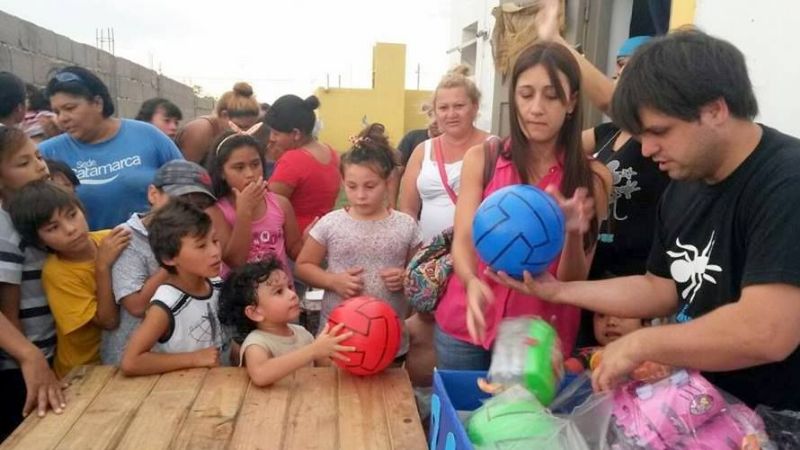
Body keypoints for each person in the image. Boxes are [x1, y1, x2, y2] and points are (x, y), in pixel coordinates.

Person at [492, 29, 800, 410]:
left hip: (776, 418)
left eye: (658, 132)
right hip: (703, 409)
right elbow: (659, 288)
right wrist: (557, 291)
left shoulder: (786, 181)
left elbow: (767, 330)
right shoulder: (683, 185)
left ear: (716, 110)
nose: (647, 148)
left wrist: (641, 343)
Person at [435, 42, 611, 371]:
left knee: (520, 423)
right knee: (455, 419)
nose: (536, 108)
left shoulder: (593, 178)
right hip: (465, 322)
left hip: (535, 339)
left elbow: (573, 280)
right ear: (513, 97)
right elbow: (463, 240)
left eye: (551, 95)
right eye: (526, 94)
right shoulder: (482, 158)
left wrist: (573, 233)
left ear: (572, 101)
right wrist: (472, 282)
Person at [295, 123, 422, 359]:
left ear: (388, 181)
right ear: (343, 182)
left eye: (370, 186)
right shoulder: (331, 224)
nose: (361, 195)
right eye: (352, 187)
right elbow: (303, 266)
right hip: (338, 339)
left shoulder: (406, 225)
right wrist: (333, 281)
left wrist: (406, 277)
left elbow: (420, 271)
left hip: (389, 340)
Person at [39, 66, 183, 230]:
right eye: (57, 112)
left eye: (70, 108)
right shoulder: (47, 154)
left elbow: (186, 186)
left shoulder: (148, 135)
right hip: (91, 254)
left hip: (158, 246)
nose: (62, 118)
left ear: (98, 103)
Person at [9, 181, 130, 378]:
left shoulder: (110, 239)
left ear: (82, 209)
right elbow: (108, 321)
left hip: (123, 355)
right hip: (83, 371)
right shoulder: (57, 273)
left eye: (72, 215)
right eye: (53, 228)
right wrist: (102, 267)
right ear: (39, 240)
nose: (70, 229)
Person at [101, 160, 217, 366]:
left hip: (179, 354)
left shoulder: (200, 236)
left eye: (198, 206)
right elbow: (136, 306)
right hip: (136, 358)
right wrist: (172, 262)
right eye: (179, 200)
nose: (187, 210)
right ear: (153, 194)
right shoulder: (128, 237)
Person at [120, 199, 227, 376]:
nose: (215, 252)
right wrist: (194, 359)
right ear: (169, 258)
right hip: (182, 394)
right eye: (201, 246)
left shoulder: (215, 283)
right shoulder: (167, 304)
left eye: (215, 241)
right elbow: (131, 362)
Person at [0, 127, 60, 439]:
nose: (39, 166)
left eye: (38, 156)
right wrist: (29, 357)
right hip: (19, 368)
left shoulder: (27, 217)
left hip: (41, 352)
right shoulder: (4, 228)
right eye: (22, 163)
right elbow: (8, 311)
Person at [218, 259, 355, 386]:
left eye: (289, 286)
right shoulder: (256, 343)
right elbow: (260, 374)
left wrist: (339, 353)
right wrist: (313, 350)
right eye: (279, 292)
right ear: (255, 312)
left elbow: (323, 367)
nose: (292, 294)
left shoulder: (302, 333)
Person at [398, 65, 491, 243]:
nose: (451, 114)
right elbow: (408, 210)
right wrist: (415, 251)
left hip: (477, 253)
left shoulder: (494, 147)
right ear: (435, 111)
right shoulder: (422, 151)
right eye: (443, 108)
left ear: (475, 107)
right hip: (428, 258)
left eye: (459, 106)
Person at [205, 131, 303, 277]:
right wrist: (244, 211)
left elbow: (295, 250)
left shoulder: (280, 204)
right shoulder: (216, 211)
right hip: (241, 296)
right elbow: (235, 261)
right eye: (239, 168)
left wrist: (311, 240)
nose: (250, 174)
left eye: (255, 164)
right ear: (221, 172)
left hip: (279, 292)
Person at [265, 94, 341, 235]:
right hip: (325, 234)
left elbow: (269, 207)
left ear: (296, 134)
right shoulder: (332, 153)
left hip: (295, 240)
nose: (271, 138)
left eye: (276, 133)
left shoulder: (291, 160)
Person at [176, 82, 260, 163]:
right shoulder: (201, 130)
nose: (244, 133)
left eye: (250, 128)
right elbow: (184, 173)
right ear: (224, 115)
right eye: (240, 126)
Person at [397, 103, 441, 168]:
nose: (434, 122)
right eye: (431, 116)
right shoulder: (412, 137)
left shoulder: (453, 142)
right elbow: (398, 166)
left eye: (439, 118)